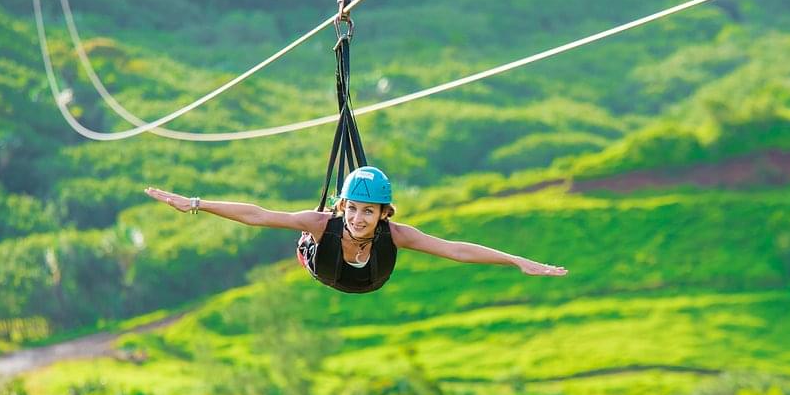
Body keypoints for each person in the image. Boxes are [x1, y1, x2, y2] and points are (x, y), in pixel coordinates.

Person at [144, 166, 568, 294]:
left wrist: (516, 261)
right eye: (354, 209)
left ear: (384, 213)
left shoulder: (396, 234)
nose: (360, 218)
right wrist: (197, 204)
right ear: (342, 206)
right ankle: (308, 247)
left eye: (370, 211)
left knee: (414, 245)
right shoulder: (322, 224)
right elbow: (259, 215)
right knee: (308, 230)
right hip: (323, 264)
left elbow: (455, 249)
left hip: (369, 278)